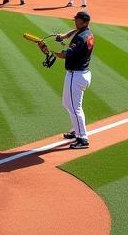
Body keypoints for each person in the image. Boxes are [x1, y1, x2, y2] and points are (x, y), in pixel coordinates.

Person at [40, 10, 95, 149]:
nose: (75, 21)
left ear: (84, 21)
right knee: (67, 103)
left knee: (74, 108)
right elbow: (75, 32)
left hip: (75, 76)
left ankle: (82, 139)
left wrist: (49, 50)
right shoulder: (87, 32)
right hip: (82, 74)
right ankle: (76, 129)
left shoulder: (80, 38)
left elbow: (66, 54)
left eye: (77, 19)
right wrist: (64, 36)